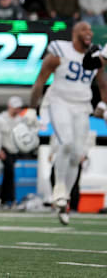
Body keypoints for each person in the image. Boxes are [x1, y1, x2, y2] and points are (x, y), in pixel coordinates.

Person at [37, 22, 107, 225]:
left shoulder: (95, 56)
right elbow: (40, 80)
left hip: (82, 106)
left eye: (91, 30)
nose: (90, 33)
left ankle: (64, 198)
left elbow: (102, 82)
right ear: (75, 33)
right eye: (85, 30)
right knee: (66, 143)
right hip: (60, 102)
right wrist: (33, 109)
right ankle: (58, 188)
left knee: (77, 155)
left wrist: (102, 103)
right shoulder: (60, 51)